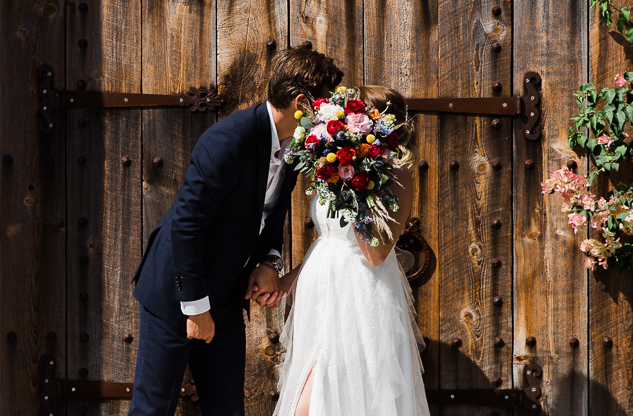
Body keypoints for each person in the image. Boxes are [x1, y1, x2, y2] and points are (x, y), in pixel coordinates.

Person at [128, 46, 344, 416]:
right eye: (325, 103)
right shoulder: (229, 140)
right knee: (152, 410)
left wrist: (269, 261)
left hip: (226, 297)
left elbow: (271, 213)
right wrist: (195, 310)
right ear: (301, 103)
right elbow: (186, 224)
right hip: (177, 292)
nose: (330, 113)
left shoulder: (296, 144)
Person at [272, 85, 430, 416]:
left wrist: (356, 183)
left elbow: (375, 252)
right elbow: (329, 236)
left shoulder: (396, 175)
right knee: (314, 400)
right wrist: (290, 279)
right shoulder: (336, 170)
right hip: (320, 295)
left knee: (323, 403)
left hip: (358, 297)